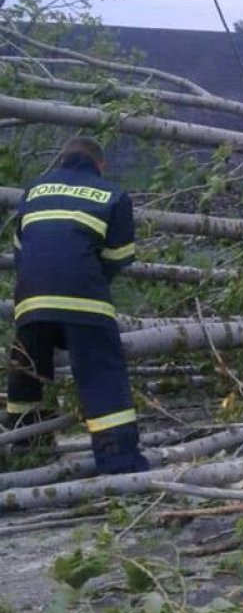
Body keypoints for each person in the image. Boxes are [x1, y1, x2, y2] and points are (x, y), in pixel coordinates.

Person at [5, 135, 149, 474]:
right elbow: (117, 258)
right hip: (85, 300)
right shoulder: (113, 195)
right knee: (102, 377)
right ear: (100, 165)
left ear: (62, 161)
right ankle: (119, 463)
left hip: (31, 301)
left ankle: (28, 449)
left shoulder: (34, 191)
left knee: (27, 374)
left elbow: (21, 252)